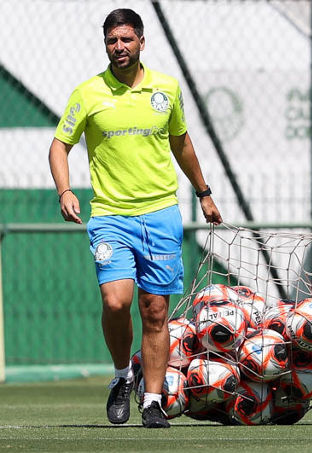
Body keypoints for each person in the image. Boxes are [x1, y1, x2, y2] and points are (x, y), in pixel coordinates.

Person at [49, 8, 222, 429]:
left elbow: (181, 143)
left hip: (161, 213)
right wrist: (65, 190)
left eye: (126, 39)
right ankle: (122, 373)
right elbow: (59, 145)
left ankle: (153, 401)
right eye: (112, 40)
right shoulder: (88, 93)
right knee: (116, 301)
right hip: (110, 215)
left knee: (155, 310)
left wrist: (204, 193)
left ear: (142, 42)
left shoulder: (167, 89)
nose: (119, 47)